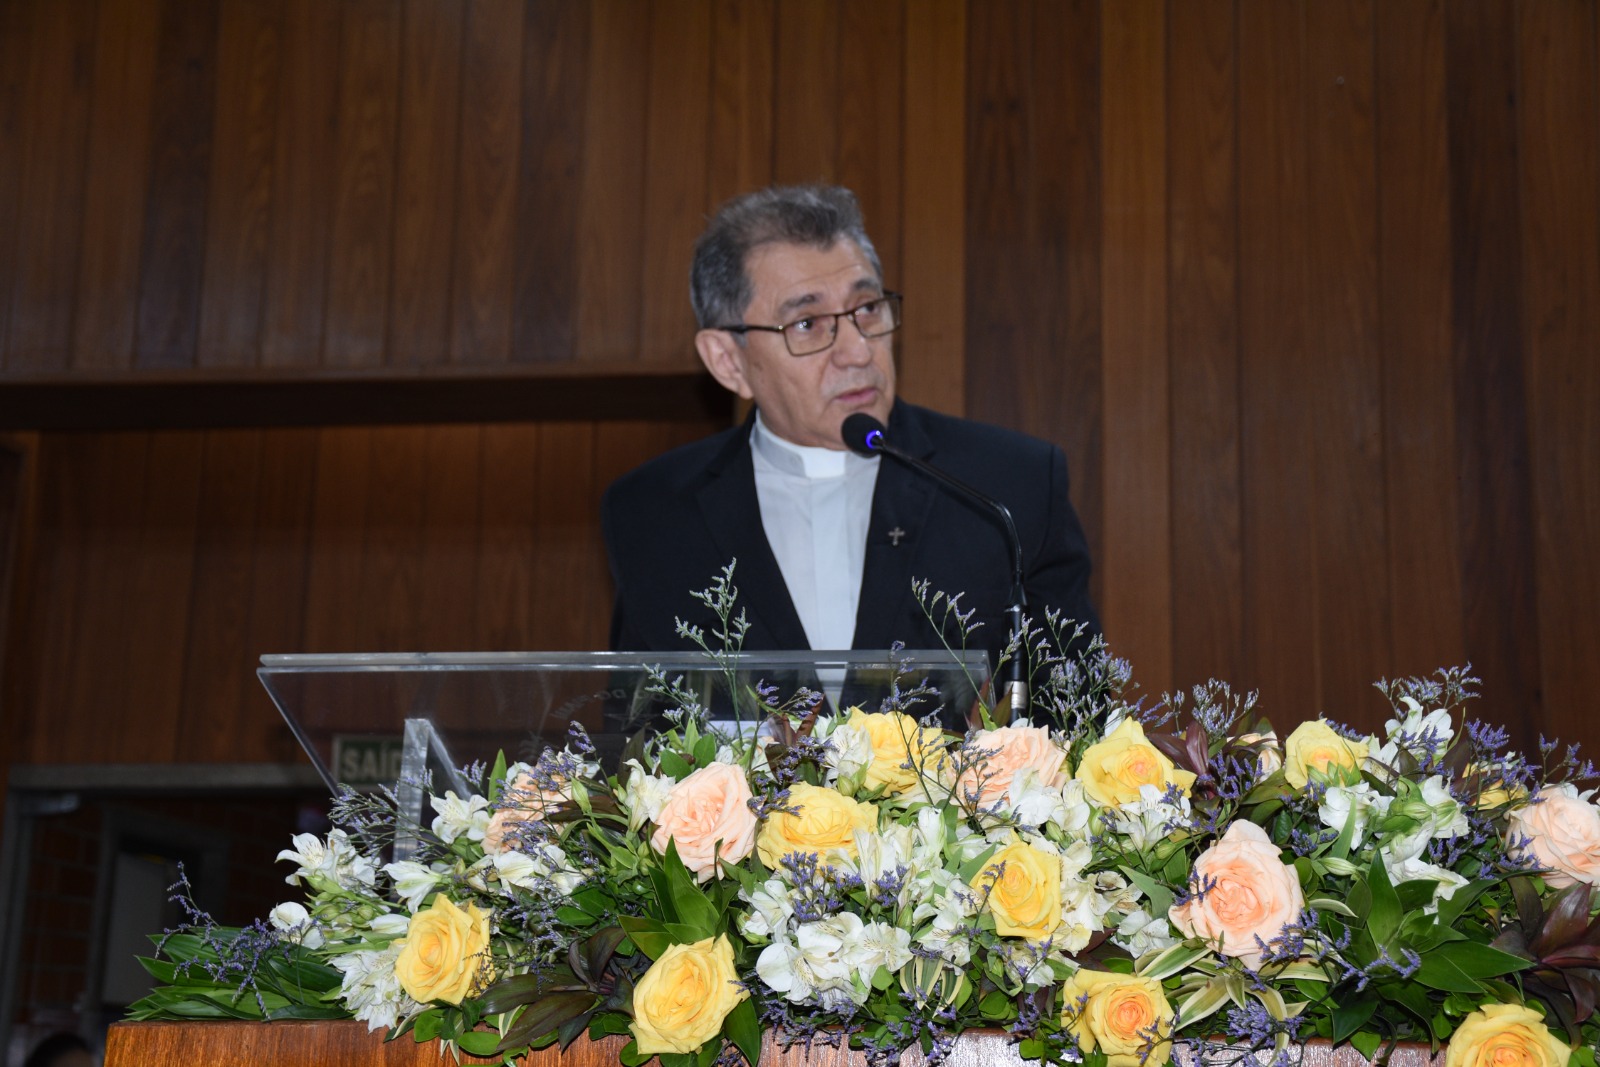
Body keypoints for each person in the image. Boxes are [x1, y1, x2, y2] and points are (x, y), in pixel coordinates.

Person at [602, 184, 1098, 677]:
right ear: (728, 362)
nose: (858, 351)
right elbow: (639, 737)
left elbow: (1078, 724)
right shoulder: (653, 512)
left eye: (867, 309)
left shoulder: (1008, 488)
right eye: (807, 323)